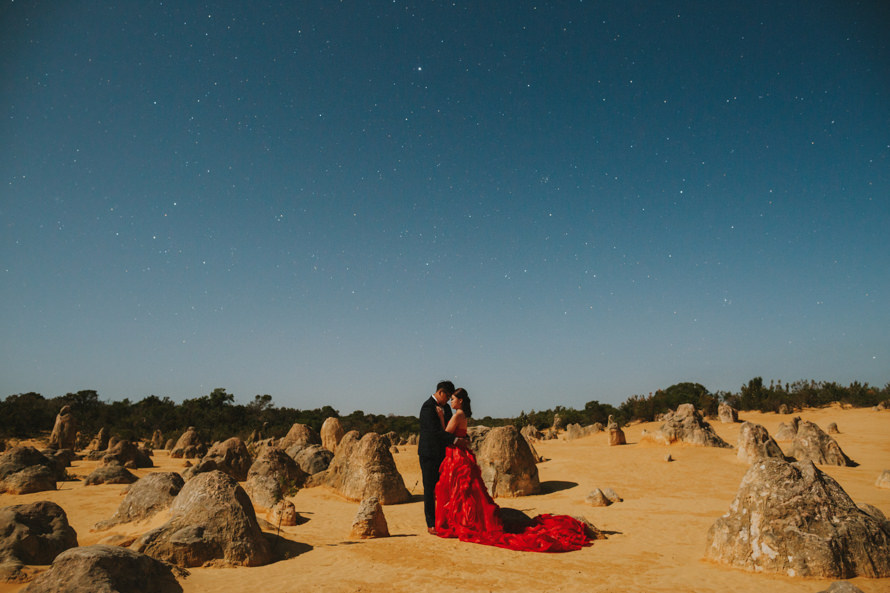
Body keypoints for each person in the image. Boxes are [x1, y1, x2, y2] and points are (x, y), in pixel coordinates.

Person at [434, 388, 592, 552]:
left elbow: (445, 434)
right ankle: (467, 520)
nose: (451, 401)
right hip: (460, 454)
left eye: (453, 399)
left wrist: (440, 418)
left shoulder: (458, 415)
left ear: (460, 401)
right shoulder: (463, 415)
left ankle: (463, 522)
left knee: (459, 491)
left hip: (457, 456)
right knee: (465, 492)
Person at [418, 380, 468, 534]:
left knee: (444, 488)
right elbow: (435, 432)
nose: (448, 400)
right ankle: (431, 523)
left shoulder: (445, 407)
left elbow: (448, 428)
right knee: (429, 488)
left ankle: (445, 519)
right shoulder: (427, 407)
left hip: (443, 453)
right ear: (440, 392)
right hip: (429, 454)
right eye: (447, 396)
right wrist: (454, 440)